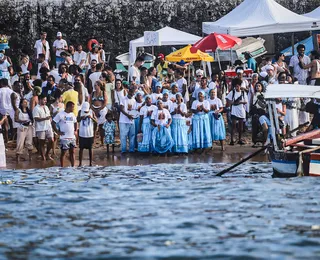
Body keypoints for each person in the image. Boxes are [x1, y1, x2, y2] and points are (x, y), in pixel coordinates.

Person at [52, 101, 77, 167]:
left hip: (72, 137)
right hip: (64, 137)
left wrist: (75, 130)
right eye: (72, 107)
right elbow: (53, 122)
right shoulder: (60, 114)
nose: (73, 109)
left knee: (73, 152)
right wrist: (57, 132)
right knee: (64, 152)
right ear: (68, 107)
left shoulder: (72, 114)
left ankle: (73, 166)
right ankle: (62, 167)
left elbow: (75, 122)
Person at [226, 78, 248, 145]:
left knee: (240, 127)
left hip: (241, 110)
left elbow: (246, 101)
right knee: (233, 126)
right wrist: (231, 102)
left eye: (238, 86)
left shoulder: (243, 93)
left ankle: (240, 139)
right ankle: (232, 140)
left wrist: (240, 102)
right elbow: (227, 98)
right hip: (234, 110)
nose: (237, 87)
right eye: (236, 86)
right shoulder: (232, 92)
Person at [33, 95, 53, 161]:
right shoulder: (36, 108)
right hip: (40, 127)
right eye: (44, 100)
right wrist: (44, 118)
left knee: (51, 140)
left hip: (48, 126)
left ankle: (47, 154)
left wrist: (50, 118)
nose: (45, 101)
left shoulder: (46, 107)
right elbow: (36, 118)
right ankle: (43, 156)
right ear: (40, 99)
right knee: (42, 142)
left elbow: (49, 115)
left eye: (46, 100)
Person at [77, 102, 97, 167]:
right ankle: (80, 163)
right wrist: (81, 118)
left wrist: (91, 118)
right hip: (82, 134)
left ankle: (90, 163)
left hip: (90, 134)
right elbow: (77, 120)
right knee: (81, 149)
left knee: (90, 149)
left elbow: (96, 121)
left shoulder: (91, 112)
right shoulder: (80, 112)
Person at [119, 88, 136, 154]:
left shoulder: (134, 100)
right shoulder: (123, 99)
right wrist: (128, 115)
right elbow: (121, 109)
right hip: (123, 121)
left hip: (131, 120)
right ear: (128, 92)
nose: (132, 94)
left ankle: (131, 150)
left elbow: (134, 110)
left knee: (132, 135)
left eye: (133, 93)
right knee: (123, 136)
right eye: (131, 92)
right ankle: (123, 150)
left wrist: (133, 116)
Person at [90, 80, 108, 146]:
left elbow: (105, 102)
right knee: (94, 126)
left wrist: (99, 109)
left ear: (99, 86)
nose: (95, 87)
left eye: (96, 85)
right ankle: (93, 141)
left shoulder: (103, 93)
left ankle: (102, 141)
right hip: (94, 108)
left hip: (102, 109)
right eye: (94, 85)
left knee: (101, 127)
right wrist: (94, 109)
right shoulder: (92, 93)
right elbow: (90, 102)